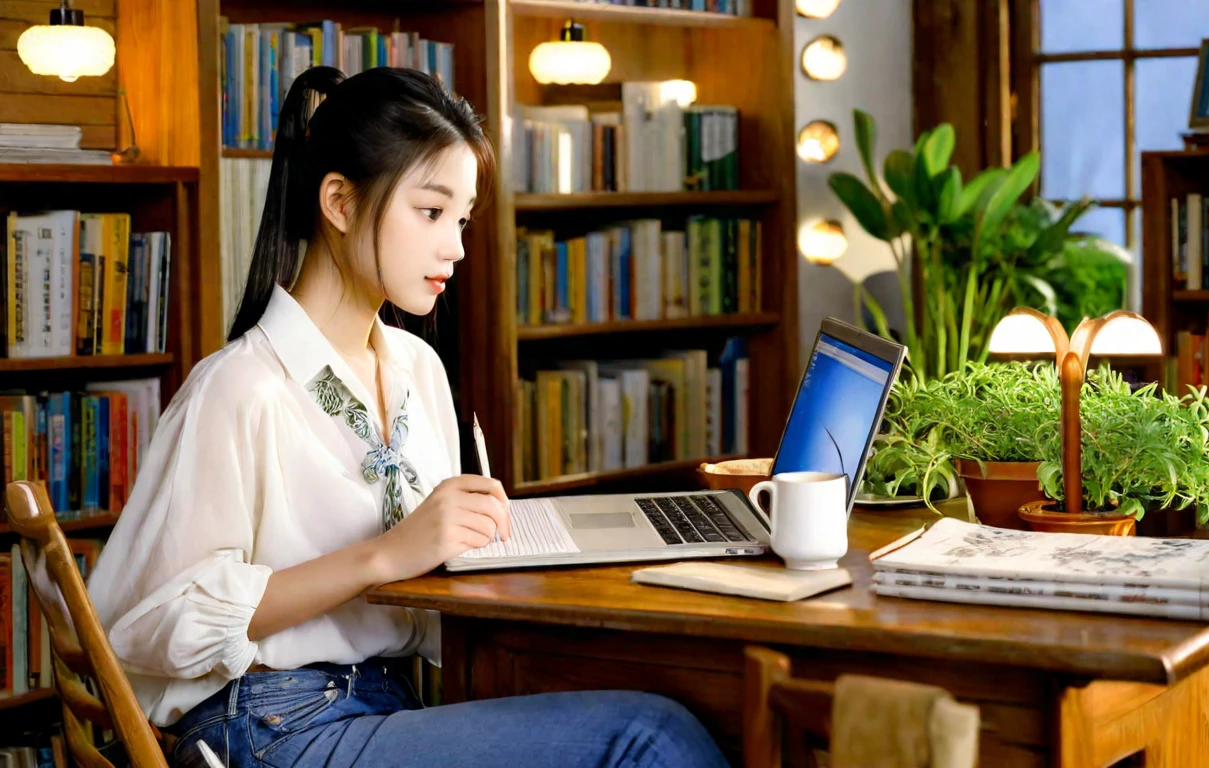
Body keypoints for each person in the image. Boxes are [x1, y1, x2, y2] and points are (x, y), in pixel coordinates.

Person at [86, 65, 730, 768]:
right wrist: (384, 557)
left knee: (682, 703)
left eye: (461, 219)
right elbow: (146, 625)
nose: (454, 245)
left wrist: (491, 552)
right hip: (275, 727)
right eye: (430, 212)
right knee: (649, 738)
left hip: (391, 704)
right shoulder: (238, 387)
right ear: (338, 200)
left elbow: (424, 595)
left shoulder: (417, 368)